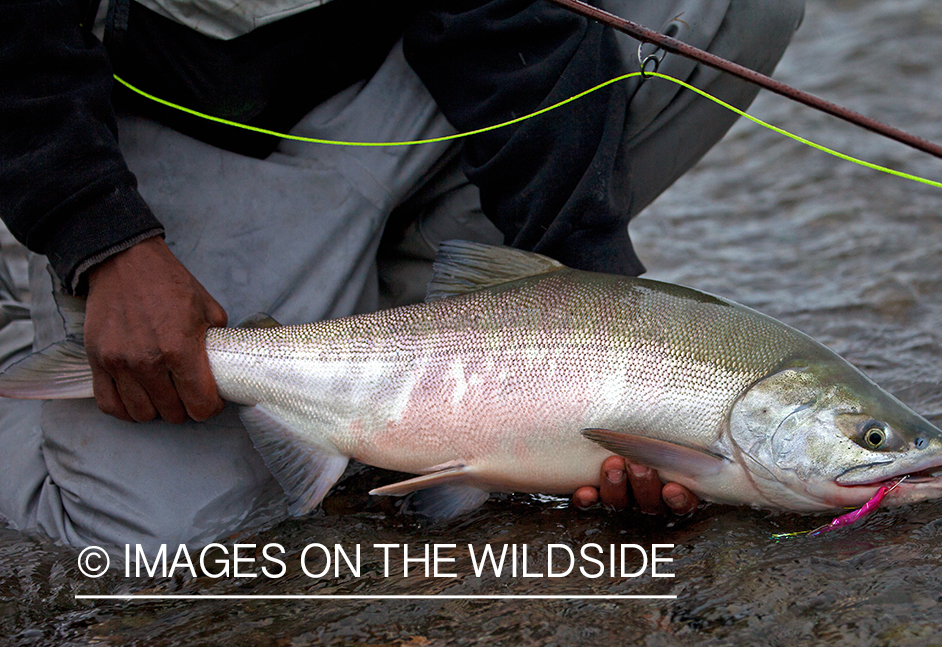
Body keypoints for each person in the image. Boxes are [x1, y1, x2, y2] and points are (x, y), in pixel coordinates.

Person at [0, 0, 805, 552]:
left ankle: (394, 351)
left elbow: (504, 20)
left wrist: (599, 313)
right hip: (166, 107)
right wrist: (101, 235)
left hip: (396, 65)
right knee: (176, 542)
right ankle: (21, 303)